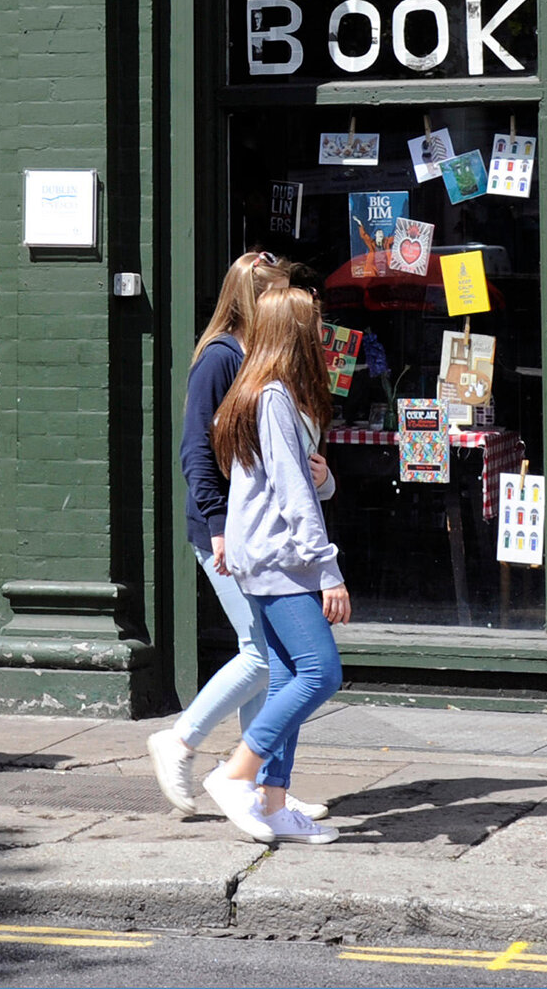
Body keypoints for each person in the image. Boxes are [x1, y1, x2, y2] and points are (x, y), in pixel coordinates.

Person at [148, 250, 334, 822]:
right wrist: (218, 525)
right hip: (229, 533)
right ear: (253, 298)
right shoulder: (221, 359)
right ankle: (183, 742)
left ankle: (257, 783)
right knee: (263, 652)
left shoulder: (261, 361)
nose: (283, 303)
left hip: (254, 532)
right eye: (274, 292)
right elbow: (196, 452)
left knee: (274, 658)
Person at [199, 281, 349, 845]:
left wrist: (327, 478)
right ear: (295, 333)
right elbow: (289, 493)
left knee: (288, 674)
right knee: (320, 672)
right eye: (314, 324)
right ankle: (236, 773)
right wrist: (328, 570)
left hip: (261, 556)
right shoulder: (274, 397)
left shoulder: (259, 391)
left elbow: (298, 482)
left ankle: (274, 801)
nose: (322, 333)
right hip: (279, 560)